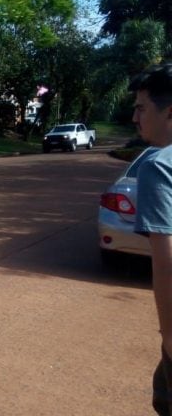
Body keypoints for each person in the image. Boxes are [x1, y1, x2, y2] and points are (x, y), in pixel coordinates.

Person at [130, 62, 172, 415]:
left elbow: (168, 262)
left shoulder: (159, 166)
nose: (135, 117)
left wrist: (170, 341)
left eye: (141, 107)